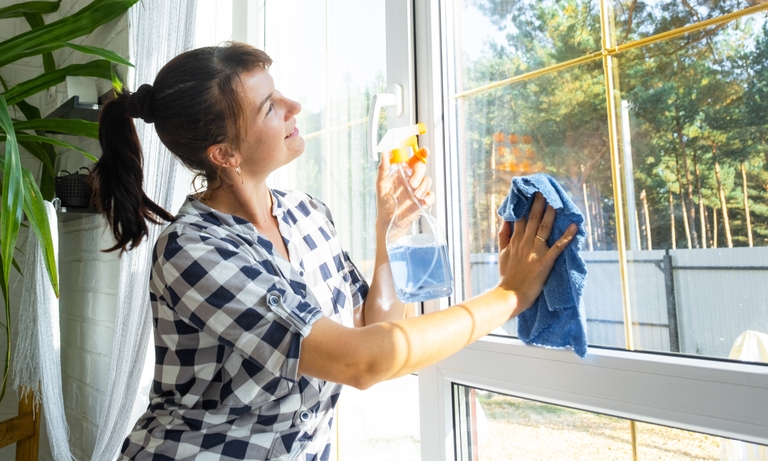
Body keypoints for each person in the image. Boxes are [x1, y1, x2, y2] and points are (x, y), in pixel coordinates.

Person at [91, 42, 577, 461]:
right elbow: (359, 361)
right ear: (225, 154)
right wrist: (509, 295)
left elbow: (372, 325)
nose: (293, 105)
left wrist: (390, 225)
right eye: (268, 107)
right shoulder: (193, 251)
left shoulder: (308, 214)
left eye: (278, 91)